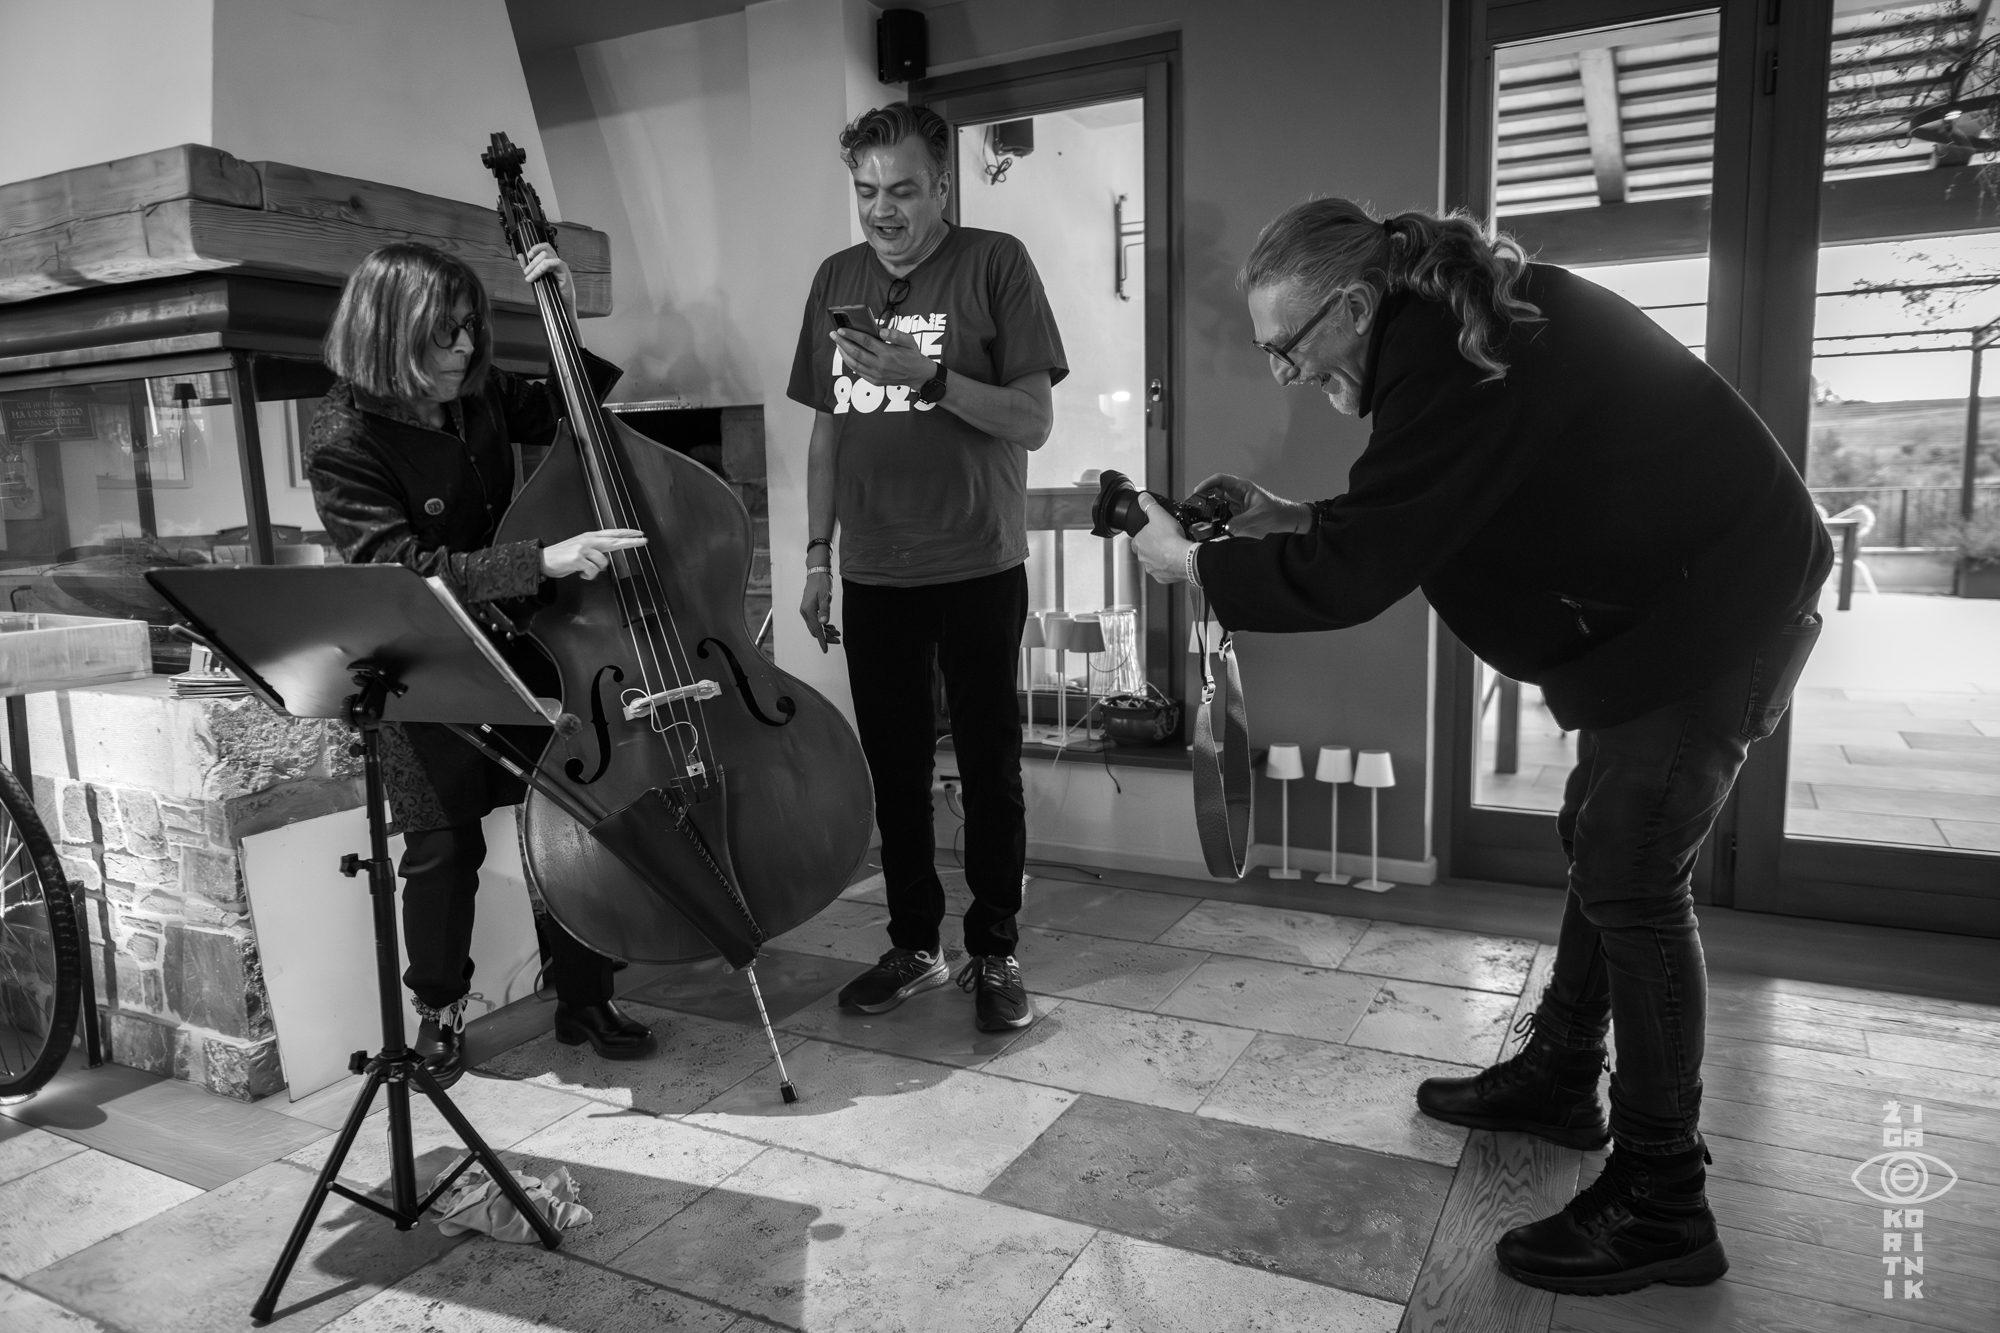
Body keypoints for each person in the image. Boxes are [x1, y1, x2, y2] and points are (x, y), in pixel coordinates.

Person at [1130, 199, 1831, 1296]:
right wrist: (1280, 516)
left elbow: (1368, 567)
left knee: (1632, 869)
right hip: (1674, 605)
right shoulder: (1442, 328)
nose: (1282, 372)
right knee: (1602, 836)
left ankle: (1663, 1198)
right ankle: (1562, 1072)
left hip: (1720, 610)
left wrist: (1194, 567)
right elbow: (1419, 505)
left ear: (1350, 304)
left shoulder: (1452, 352)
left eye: (1286, 345)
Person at [307, 241, 659, 1086]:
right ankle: (439, 1014)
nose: (465, 347)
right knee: (442, 849)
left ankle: (584, 996)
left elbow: (574, 407)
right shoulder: (343, 437)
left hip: (523, 642)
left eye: (470, 328)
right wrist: (540, 559)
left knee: (571, 817)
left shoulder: (476, 388)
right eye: (446, 331)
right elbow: (402, 569)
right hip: (422, 659)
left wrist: (564, 319)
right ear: (391, 330)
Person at [788, 103, 1067, 1032]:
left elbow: (1034, 420)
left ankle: (995, 947)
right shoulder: (837, 279)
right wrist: (818, 554)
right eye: (866, 190)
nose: (883, 210)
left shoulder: (996, 263)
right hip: (874, 573)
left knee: (989, 766)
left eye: (903, 189)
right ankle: (915, 943)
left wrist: (930, 378)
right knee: (894, 769)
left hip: (978, 562)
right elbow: (827, 432)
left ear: (943, 185)